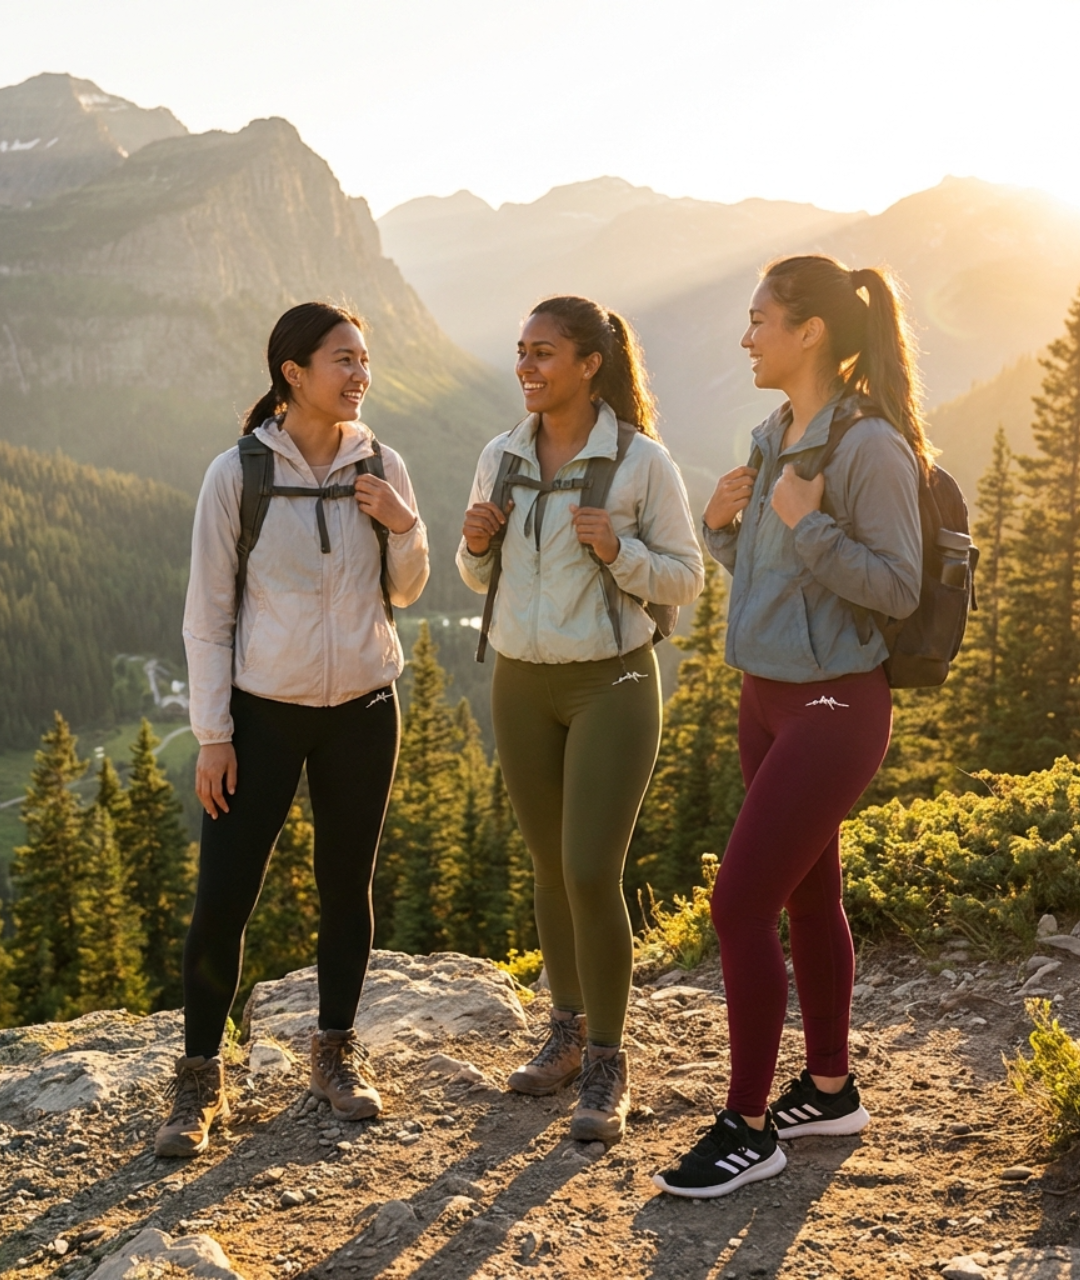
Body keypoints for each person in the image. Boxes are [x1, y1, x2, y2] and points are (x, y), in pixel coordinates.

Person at [654, 255, 928, 1198]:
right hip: (766, 697)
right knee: (809, 901)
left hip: (834, 706)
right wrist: (730, 529)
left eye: (760, 319)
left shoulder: (871, 447)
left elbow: (898, 586)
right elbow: (774, 578)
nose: (746, 335)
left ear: (810, 331)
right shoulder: (775, 432)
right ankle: (829, 1089)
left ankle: (749, 1126)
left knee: (737, 906)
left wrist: (807, 525)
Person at [155, 301, 429, 1158]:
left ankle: (336, 1057)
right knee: (224, 899)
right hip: (260, 717)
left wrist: (402, 523)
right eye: (342, 360)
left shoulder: (383, 464)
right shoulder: (237, 473)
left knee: (348, 886)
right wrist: (212, 733)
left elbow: (411, 587)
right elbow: (207, 615)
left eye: (365, 360)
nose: (360, 375)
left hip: (363, 710)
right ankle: (199, 1078)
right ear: (293, 373)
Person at [458, 295, 704, 1145]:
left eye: (545, 353)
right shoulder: (500, 454)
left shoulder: (641, 463)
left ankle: (607, 1059)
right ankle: (563, 1034)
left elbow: (686, 578)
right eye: (521, 352)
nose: (526, 367)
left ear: (590, 363)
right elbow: (471, 569)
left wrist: (618, 551)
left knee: (591, 869)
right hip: (521, 685)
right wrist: (477, 541)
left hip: (613, 683)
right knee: (546, 866)